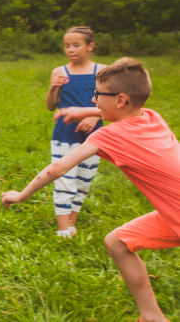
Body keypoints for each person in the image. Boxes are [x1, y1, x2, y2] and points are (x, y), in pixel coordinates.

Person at [3, 58, 179, 322]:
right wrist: (84, 112)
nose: (94, 99)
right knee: (117, 242)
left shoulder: (108, 135)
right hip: (171, 213)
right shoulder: (152, 116)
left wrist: (20, 195)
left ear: (120, 100)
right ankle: (151, 315)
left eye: (97, 95)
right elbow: (114, 113)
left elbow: (57, 169)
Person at [44, 26, 105, 238]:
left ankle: (71, 224)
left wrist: (95, 115)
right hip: (65, 134)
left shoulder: (102, 71)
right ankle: (63, 229)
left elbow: (110, 103)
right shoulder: (60, 72)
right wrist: (53, 88)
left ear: (90, 46)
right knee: (64, 178)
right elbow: (51, 105)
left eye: (76, 45)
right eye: (66, 45)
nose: (70, 50)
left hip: (94, 136)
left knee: (83, 180)